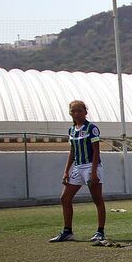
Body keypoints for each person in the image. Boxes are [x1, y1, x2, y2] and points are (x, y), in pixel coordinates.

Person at [50, 100, 108, 245]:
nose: (76, 113)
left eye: (79, 111)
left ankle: (100, 232)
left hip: (91, 166)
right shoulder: (71, 130)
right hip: (78, 167)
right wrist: (66, 171)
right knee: (65, 198)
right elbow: (72, 151)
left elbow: (96, 150)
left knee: (97, 198)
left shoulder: (91, 128)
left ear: (85, 112)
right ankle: (67, 232)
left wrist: (93, 172)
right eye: (73, 111)